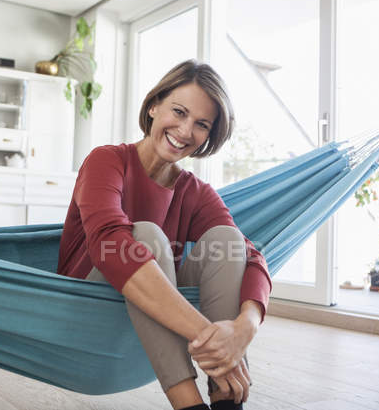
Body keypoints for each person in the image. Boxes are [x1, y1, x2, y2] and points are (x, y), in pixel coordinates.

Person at [57, 60, 271, 410]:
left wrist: (244, 328)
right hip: (86, 306)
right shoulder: (106, 161)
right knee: (145, 237)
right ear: (154, 106)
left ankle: (227, 402)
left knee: (227, 242)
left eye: (201, 124)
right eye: (179, 112)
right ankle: (189, 405)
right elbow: (110, 247)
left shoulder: (195, 192)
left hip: (157, 311)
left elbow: (249, 255)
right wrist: (212, 338)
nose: (186, 131)